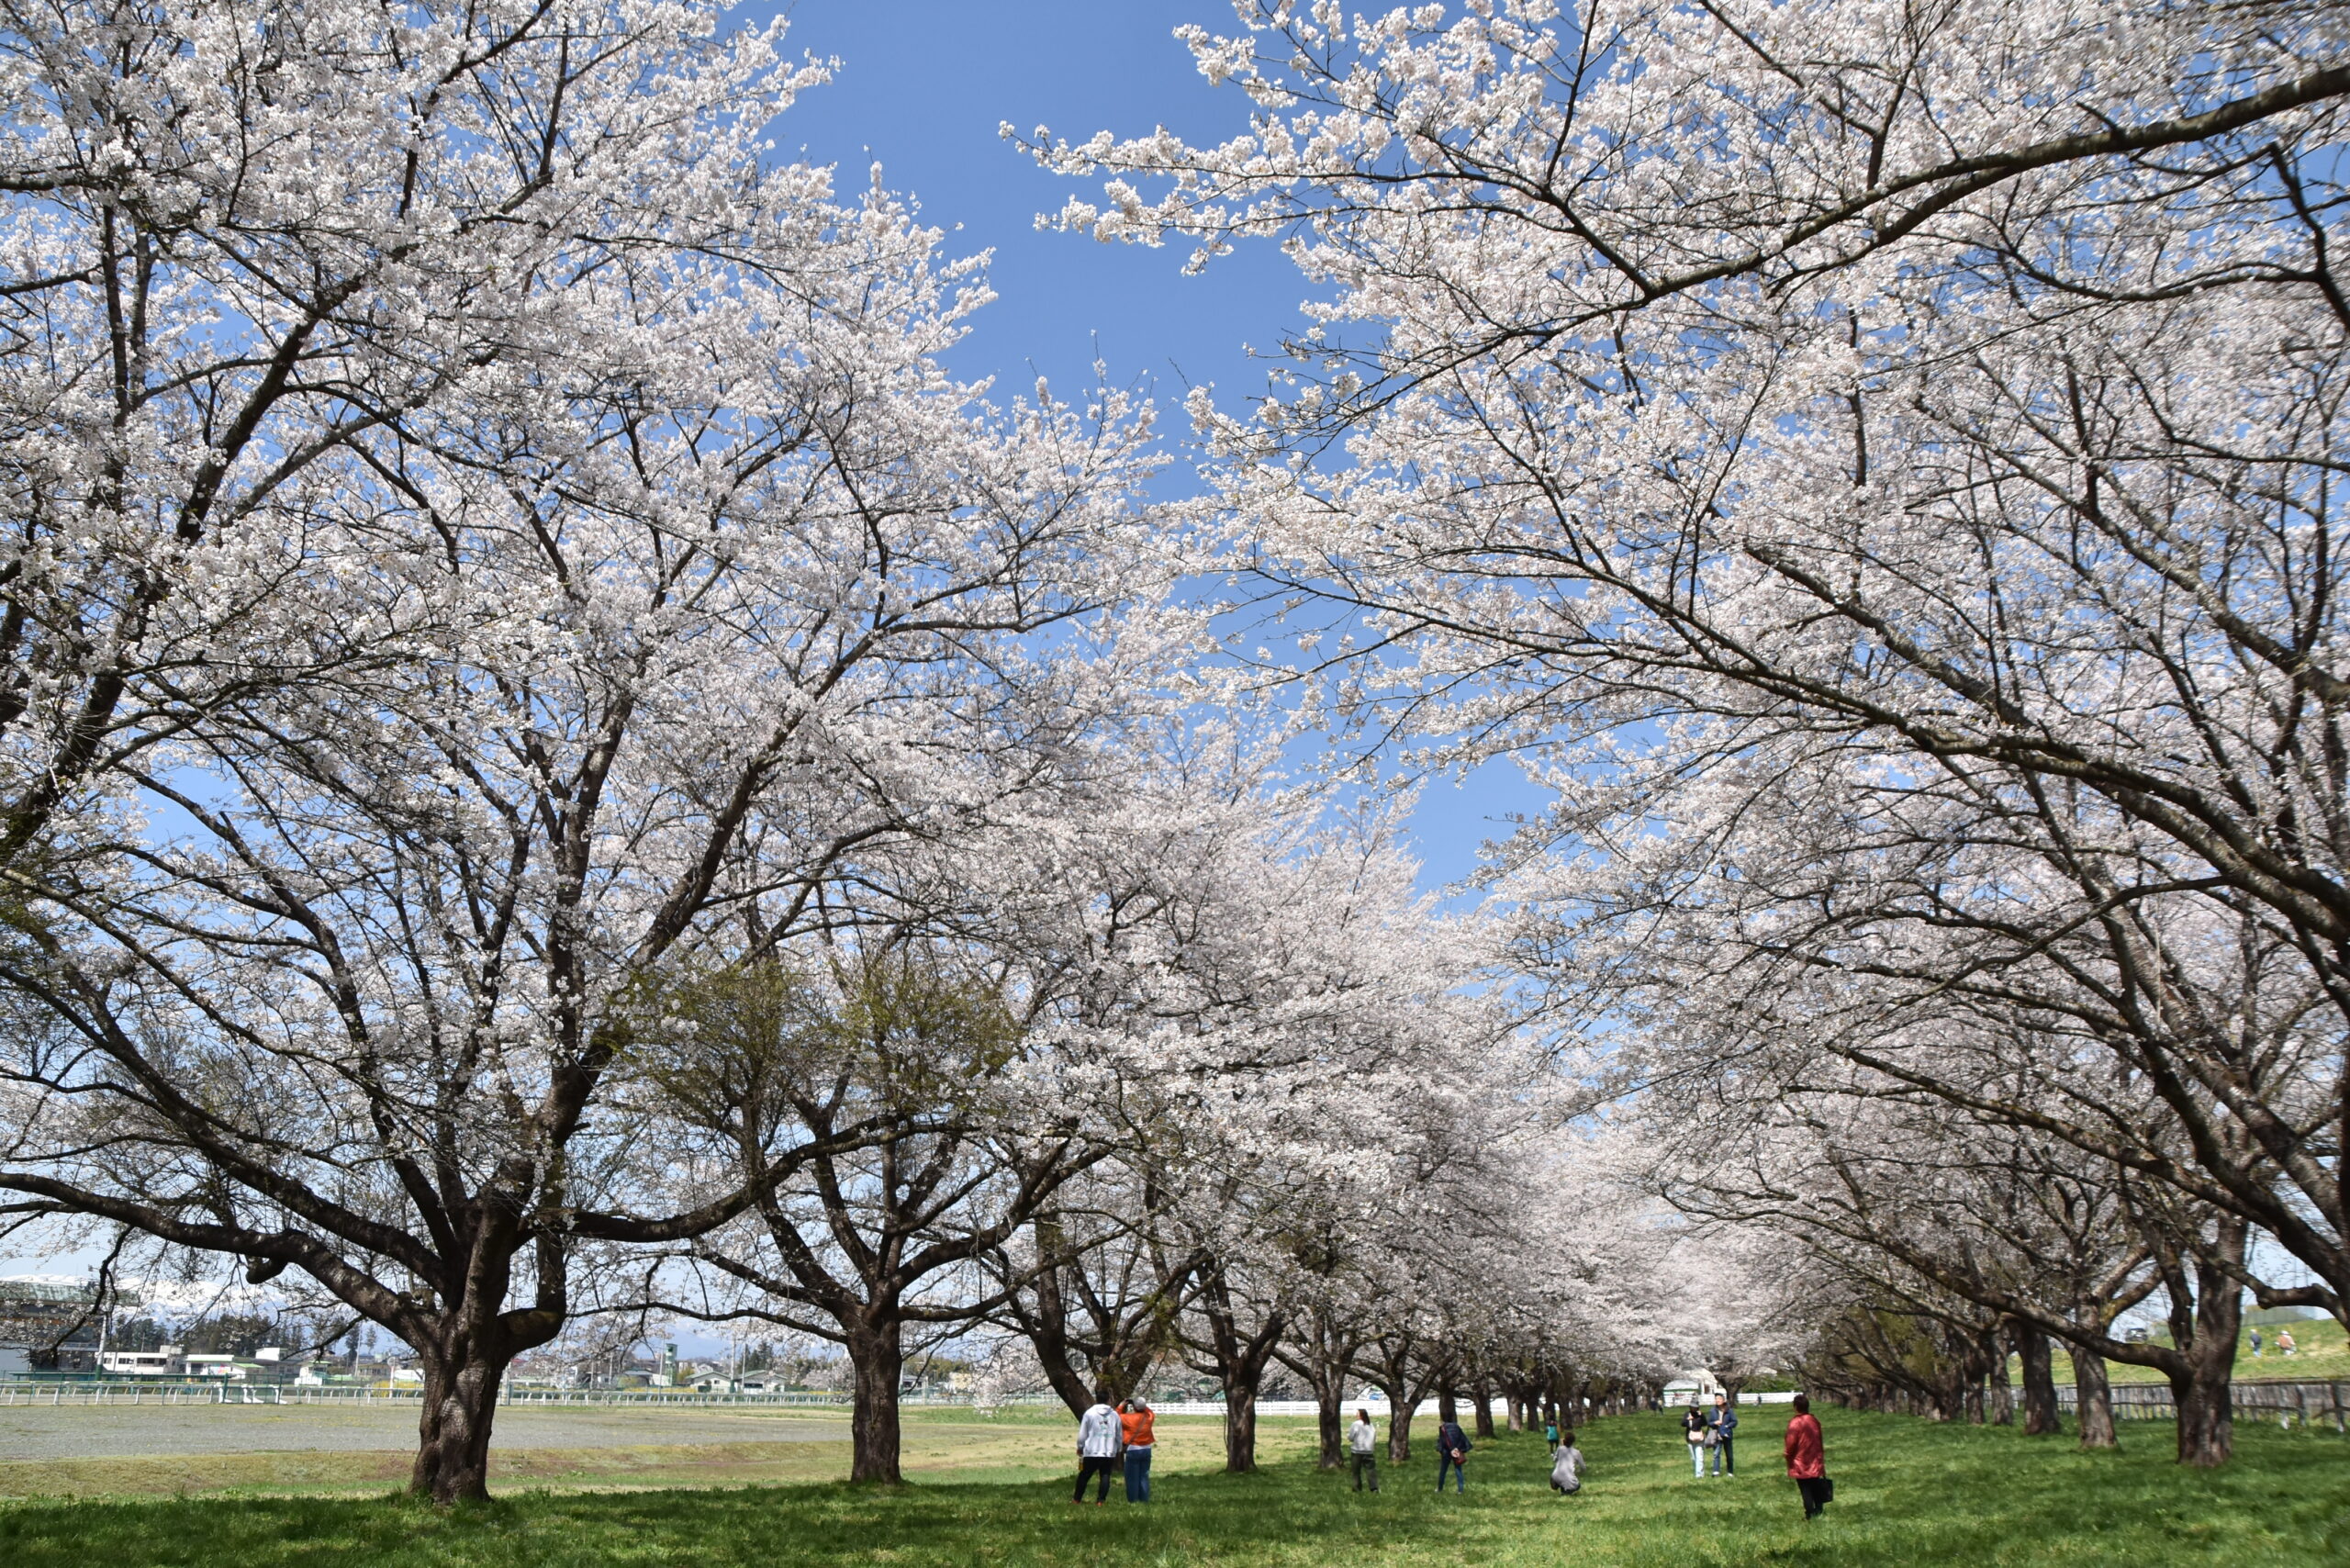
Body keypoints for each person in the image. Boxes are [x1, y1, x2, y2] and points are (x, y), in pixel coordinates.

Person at [1784, 1394, 1829, 1518]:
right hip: (1815, 1458)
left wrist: (1787, 1454)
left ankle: (1809, 1512)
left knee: (1805, 1488)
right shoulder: (1814, 1420)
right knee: (1816, 1485)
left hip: (1800, 1461)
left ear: (1796, 1407)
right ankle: (1819, 1509)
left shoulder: (1795, 1422)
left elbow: (1791, 1442)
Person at [1073, 1391, 1122, 1505]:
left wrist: (1080, 1446)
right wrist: (1118, 1447)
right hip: (1108, 1451)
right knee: (1105, 1475)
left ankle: (1077, 1499)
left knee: (1084, 1475)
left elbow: (1083, 1433)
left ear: (1096, 1399)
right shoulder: (1114, 1415)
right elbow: (1119, 1433)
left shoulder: (1089, 1413)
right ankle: (1101, 1501)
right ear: (1108, 1399)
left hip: (1092, 1450)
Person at [1119, 1396, 1155, 1503]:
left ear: (1134, 1407)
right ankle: (1144, 1499)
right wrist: (1142, 1405)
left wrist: (1122, 1405)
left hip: (1133, 1449)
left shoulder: (1128, 1418)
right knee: (1144, 1476)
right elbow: (1149, 1411)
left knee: (1132, 1477)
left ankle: (1133, 1500)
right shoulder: (1149, 1417)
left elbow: (1115, 1415)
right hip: (1147, 1449)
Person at [1435, 1414, 1472, 1494]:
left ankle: (1440, 1488)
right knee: (1458, 1470)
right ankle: (1460, 1490)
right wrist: (1457, 1449)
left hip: (1446, 1452)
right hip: (1457, 1451)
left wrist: (1441, 1449)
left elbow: (1443, 1441)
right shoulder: (1457, 1427)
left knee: (1443, 1470)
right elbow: (1461, 1438)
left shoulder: (1442, 1428)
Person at [1348, 1407, 1381, 1493]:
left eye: (1357, 1414)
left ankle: (1357, 1488)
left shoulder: (1355, 1424)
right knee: (1371, 1471)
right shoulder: (1370, 1425)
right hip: (1369, 1451)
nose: (1356, 1415)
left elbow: (1351, 1438)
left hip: (1357, 1451)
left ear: (1360, 1415)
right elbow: (1374, 1437)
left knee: (1356, 1471)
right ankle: (1374, 1488)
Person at [1708, 1391, 1738, 1477]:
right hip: (1716, 1435)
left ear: (1723, 1400)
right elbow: (1709, 1422)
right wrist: (1714, 1423)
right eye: (1716, 1399)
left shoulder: (1729, 1411)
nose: (1717, 1400)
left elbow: (1735, 1422)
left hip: (1727, 1435)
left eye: (1719, 1399)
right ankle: (1716, 1471)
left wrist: (1727, 1426)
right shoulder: (1712, 1411)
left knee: (1729, 1455)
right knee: (1716, 1454)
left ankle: (1730, 1472)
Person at [1550, 1428, 1585, 1495]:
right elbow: (1583, 1467)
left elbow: (1555, 1459)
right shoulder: (1577, 1452)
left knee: (1561, 1479)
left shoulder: (1560, 1448)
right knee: (1577, 1485)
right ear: (1573, 1441)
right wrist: (1578, 1472)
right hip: (1569, 1478)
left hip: (1555, 1476)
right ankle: (1567, 1492)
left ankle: (1560, 1486)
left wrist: (1561, 1446)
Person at [1682, 1401, 1709, 1478]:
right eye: (1692, 1407)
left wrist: (1702, 1416)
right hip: (1690, 1438)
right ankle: (1696, 1471)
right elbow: (1682, 1423)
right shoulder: (1687, 1414)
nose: (1693, 1408)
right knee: (1693, 1458)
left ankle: (1699, 1475)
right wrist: (1688, 1420)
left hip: (1699, 1437)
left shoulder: (1700, 1415)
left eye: (1695, 1407)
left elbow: (1705, 1423)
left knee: (1699, 1456)